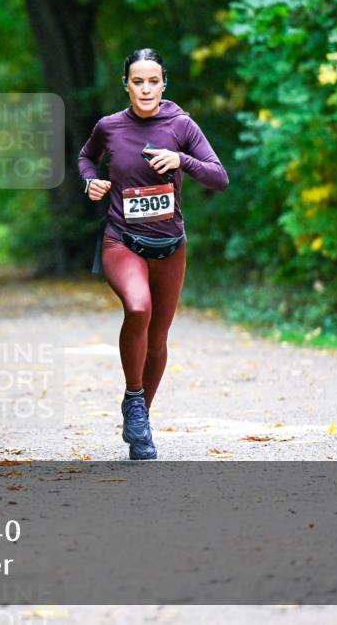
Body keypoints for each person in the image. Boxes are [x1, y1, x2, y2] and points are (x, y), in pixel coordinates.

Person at [78, 48, 229, 460]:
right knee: (138, 308)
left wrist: (181, 159)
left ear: (164, 84)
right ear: (126, 85)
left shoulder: (180, 125)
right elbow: (86, 157)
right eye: (137, 81)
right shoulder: (109, 127)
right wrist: (90, 182)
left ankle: (138, 413)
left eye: (153, 81)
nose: (145, 88)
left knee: (159, 336)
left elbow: (219, 177)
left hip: (170, 244)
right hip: (121, 239)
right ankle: (133, 394)